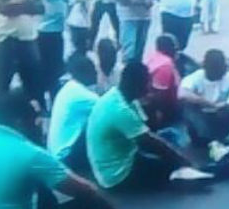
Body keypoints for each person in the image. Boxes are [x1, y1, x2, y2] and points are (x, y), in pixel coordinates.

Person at [86, 62, 193, 190]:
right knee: (170, 166)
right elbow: (149, 142)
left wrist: (151, 103)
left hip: (124, 155)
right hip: (118, 174)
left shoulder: (120, 96)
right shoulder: (120, 110)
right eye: (147, 83)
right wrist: (182, 160)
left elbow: (148, 127)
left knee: (168, 136)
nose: (150, 87)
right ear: (137, 85)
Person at [179, 49, 229, 146]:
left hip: (222, 117)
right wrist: (210, 104)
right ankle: (204, 137)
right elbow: (182, 94)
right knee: (188, 106)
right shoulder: (196, 77)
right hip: (202, 116)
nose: (224, 70)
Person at [47, 55, 99, 173]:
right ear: (86, 73)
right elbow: (106, 107)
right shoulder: (80, 95)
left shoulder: (69, 88)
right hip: (66, 157)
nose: (96, 75)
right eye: (94, 71)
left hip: (57, 153)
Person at [33, 0, 71, 101]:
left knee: (56, 70)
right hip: (39, 30)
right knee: (40, 69)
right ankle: (41, 103)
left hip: (56, 30)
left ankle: (56, 102)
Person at [144, 33, 181, 129]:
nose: (177, 52)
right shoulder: (165, 65)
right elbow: (160, 96)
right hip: (163, 111)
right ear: (168, 49)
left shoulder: (152, 57)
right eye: (175, 49)